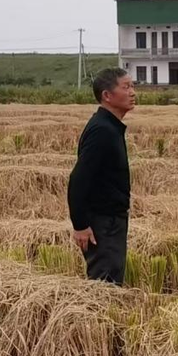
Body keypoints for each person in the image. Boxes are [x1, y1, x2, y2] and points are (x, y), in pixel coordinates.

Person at [67, 67, 137, 285]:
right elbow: (79, 179)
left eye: (132, 86)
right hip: (103, 224)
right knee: (105, 285)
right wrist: (80, 225)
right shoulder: (102, 131)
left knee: (110, 280)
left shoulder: (109, 126)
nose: (133, 92)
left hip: (110, 220)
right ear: (107, 95)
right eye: (126, 87)